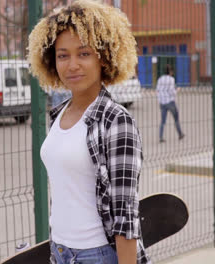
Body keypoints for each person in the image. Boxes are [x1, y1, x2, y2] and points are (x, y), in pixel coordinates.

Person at [27, 1, 150, 263]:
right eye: (63, 55)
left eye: (84, 53)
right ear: (51, 60)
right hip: (59, 251)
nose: (72, 65)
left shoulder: (116, 121)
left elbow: (125, 215)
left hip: (97, 255)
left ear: (104, 57)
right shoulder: (58, 115)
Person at [156, 65, 185, 143]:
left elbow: (157, 90)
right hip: (170, 101)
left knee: (163, 121)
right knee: (176, 118)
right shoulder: (171, 79)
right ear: (170, 71)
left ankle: (161, 137)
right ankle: (180, 134)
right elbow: (172, 92)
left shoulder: (160, 79)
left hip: (162, 102)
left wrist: (160, 99)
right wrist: (177, 90)